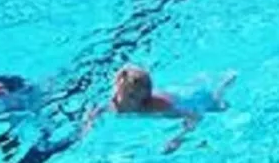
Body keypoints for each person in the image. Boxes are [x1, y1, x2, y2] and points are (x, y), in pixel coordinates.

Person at [83, 65, 235, 153]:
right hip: (173, 93)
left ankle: (222, 85)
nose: (123, 102)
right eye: (121, 95)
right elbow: (95, 111)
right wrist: (88, 127)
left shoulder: (156, 107)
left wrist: (177, 139)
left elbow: (195, 116)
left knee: (218, 106)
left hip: (185, 100)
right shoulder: (114, 102)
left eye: (136, 98)